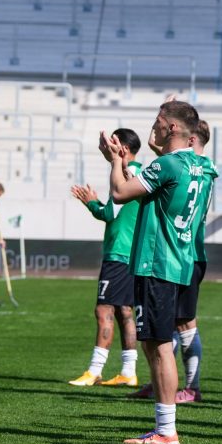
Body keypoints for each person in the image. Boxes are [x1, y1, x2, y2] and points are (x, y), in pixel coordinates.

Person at [103, 100, 203, 444]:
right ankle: (163, 427)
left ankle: (166, 430)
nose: (154, 126)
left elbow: (119, 193)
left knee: (160, 347)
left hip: (156, 262)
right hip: (177, 261)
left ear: (172, 127)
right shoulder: (197, 164)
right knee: (155, 344)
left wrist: (115, 161)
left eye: (158, 121)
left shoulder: (167, 165)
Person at [68, 129, 142, 388]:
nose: (104, 147)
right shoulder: (139, 173)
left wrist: (91, 203)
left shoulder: (126, 174)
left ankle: (95, 370)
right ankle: (129, 371)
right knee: (124, 311)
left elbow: (109, 213)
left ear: (122, 148)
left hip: (118, 254)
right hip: (132, 254)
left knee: (104, 309)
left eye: (110, 142)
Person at [171, 120, 218, 403]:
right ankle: (161, 380)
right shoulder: (205, 168)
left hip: (187, 254)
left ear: (191, 139)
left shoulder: (195, 167)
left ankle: (192, 387)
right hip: (183, 253)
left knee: (185, 322)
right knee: (169, 321)